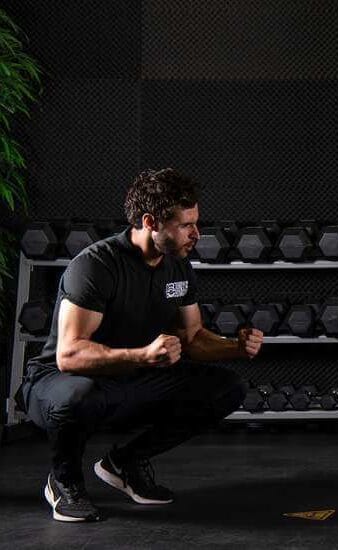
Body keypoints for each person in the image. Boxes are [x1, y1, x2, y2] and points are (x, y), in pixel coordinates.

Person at [16, 168, 264, 523]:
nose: (196, 233)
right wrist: (143, 355)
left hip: (130, 377)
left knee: (226, 388)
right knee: (75, 397)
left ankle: (124, 462)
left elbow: (192, 336)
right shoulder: (95, 267)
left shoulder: (178, 267)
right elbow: (69, 355)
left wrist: (234, 347)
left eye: (196, 222)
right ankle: (64, 481)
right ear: (150, 222)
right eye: (184, 225)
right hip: (59, 382)